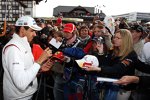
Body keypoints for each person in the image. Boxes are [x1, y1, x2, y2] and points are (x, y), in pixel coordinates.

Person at [2, 16, 52, 100]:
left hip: (25, 95)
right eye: (32, 31)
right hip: (18, 98)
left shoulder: (24, 44)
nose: (35, 34)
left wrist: (39, 69)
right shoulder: (13, 49)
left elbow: (25, 70)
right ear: (22, 30)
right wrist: (39, 61)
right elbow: (21, 83)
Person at [84, 29, 138, 100]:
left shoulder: (131, 54)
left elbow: (118, 69)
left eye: (118, 38)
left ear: (125, 40)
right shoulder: (114, 51)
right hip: (110, 84)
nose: (114, 39)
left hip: (122, 89)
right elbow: (105, 64)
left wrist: (98, 68)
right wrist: (100, 52)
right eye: (114, 37)